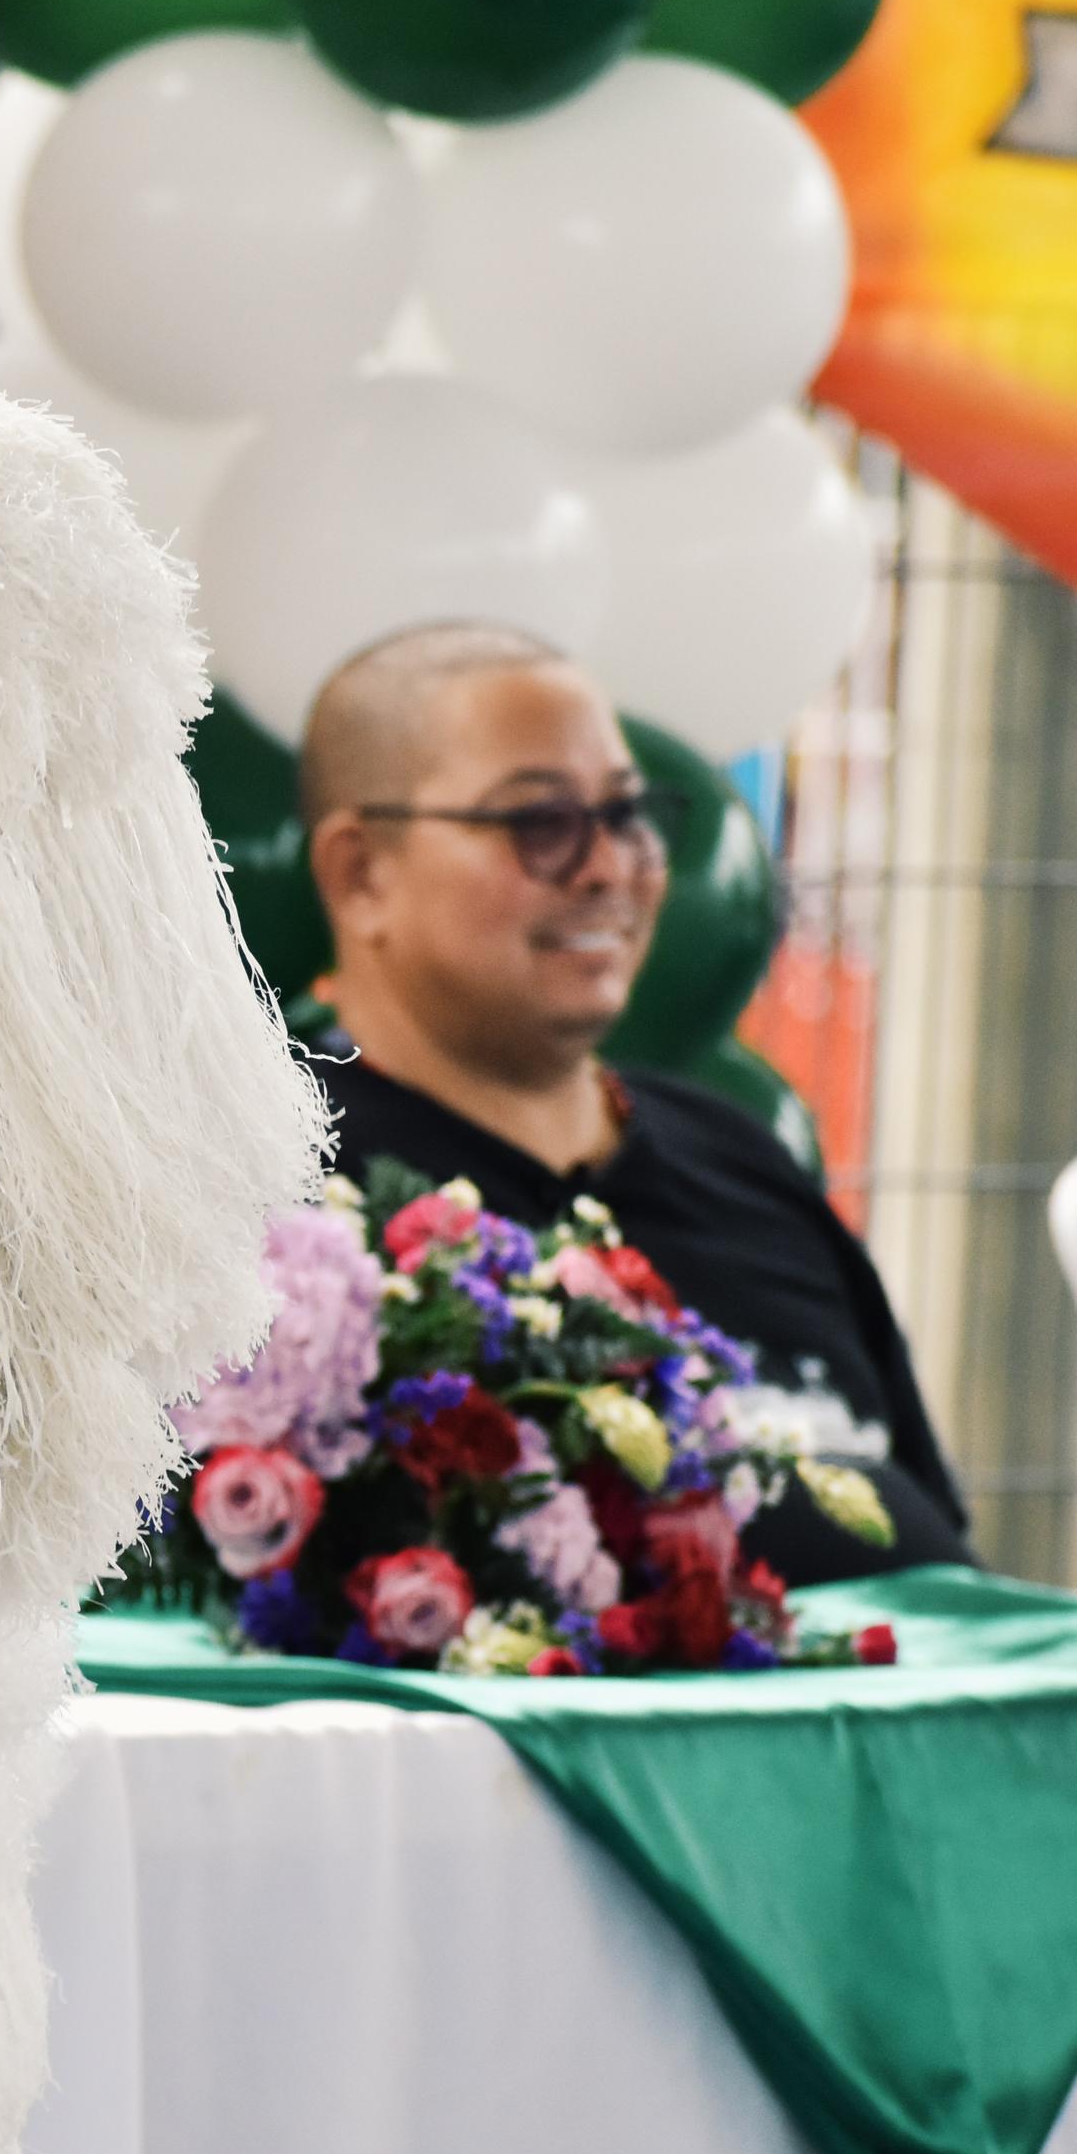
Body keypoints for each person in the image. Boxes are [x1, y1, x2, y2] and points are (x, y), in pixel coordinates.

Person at [298, 621, 971, 1580]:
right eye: (538, 822)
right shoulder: (287, 1199)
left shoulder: (739, 1165)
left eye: (628, 813)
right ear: (361, 873)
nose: (609, 867)